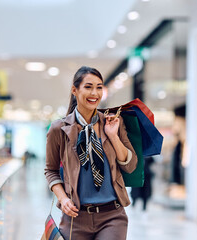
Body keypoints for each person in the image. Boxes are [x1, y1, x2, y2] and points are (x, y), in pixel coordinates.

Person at [44, 66, 138, 240]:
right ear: (75, 90)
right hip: (75, 218)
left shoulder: (113, 122)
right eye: (88, 87)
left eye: (99, 87)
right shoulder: (59, 129)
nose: (94, 93)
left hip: (112, 216)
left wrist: (113, 135)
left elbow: (130, 166)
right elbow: (51, 170)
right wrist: (63, 199)